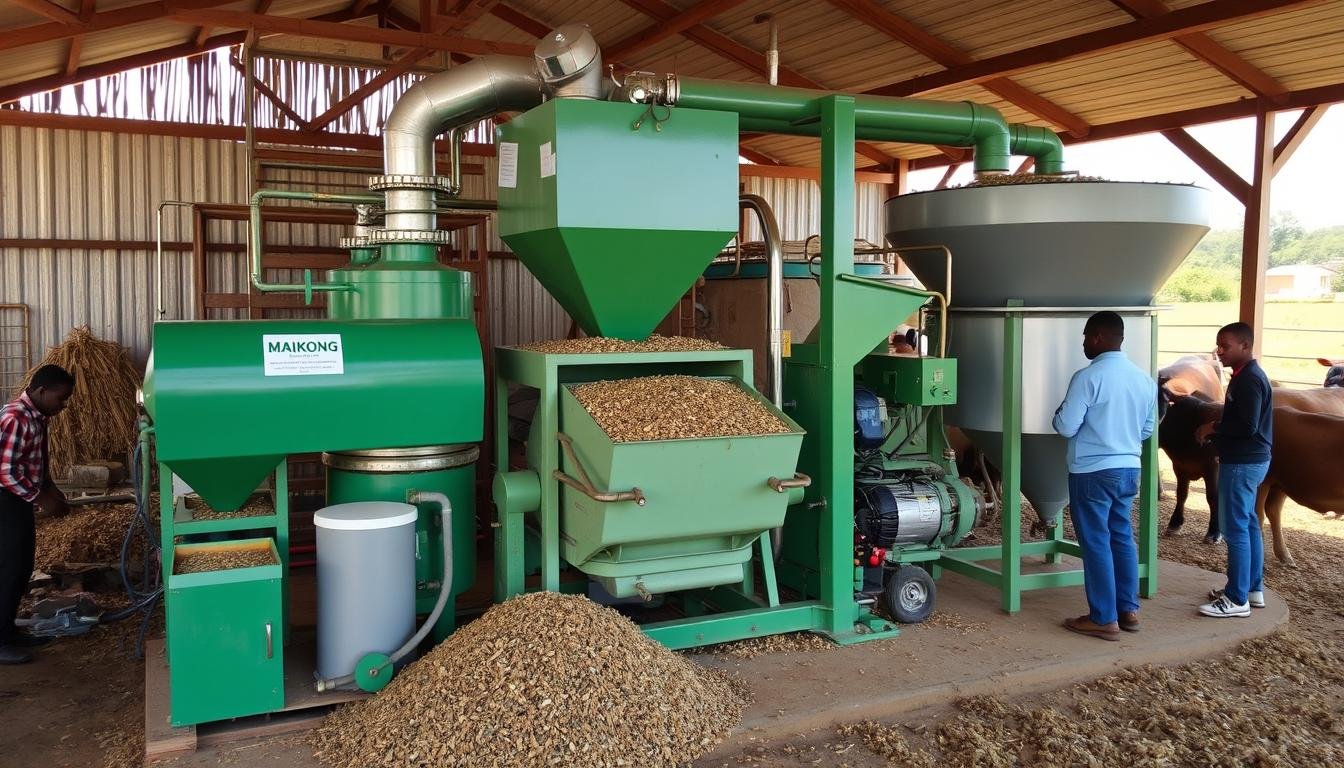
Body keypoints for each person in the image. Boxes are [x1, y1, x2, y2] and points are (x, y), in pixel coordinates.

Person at [1052, 311, 1156, 641]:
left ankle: (1102, 618)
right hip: (1129, 468)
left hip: (1092, 471)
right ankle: (1128, 609)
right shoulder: (1144, 380)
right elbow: (1148, 429)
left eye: (1085, 336)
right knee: (1120, 536)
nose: (1083, 343)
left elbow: (1066, 426)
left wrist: (1058, 418)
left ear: (1098, 337)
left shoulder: (1088, 377)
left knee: (1096, 542)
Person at [1196, 322, 1273, 618]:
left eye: (1225, 345)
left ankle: (1236, 598)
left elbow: (1248, 426)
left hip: (1243, 462)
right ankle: (1252, 590)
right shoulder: (1244, 376)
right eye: (1218, 344)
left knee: (1235, 528)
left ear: (1245, 345)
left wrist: (1212, 427)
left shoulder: (1249, 380)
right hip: (1249, 460)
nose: (1220, 351)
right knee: (1249, 523)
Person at [0, 364, 74, 664]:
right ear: (41, 391)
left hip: (18, 498)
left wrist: (50, 486)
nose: (63, 405)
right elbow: (4, 470)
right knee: (8, 567)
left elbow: (34, 460)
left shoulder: (36, 417)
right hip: (5, 498)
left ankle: (8, 630)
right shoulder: (15, 418)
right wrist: (42, 498)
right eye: (60, 398)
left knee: (21, 566)